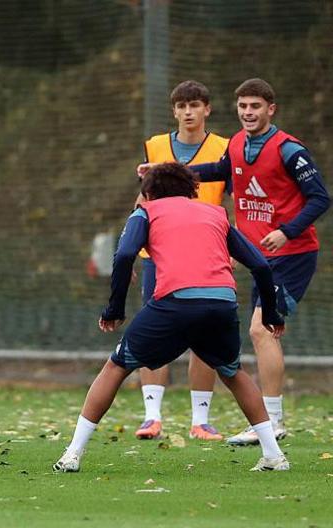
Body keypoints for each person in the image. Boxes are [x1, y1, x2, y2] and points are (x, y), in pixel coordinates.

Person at [54, 162, 288, 473]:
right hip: (221, 304)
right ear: (191, 190)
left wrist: (114, 310)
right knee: (233, 373)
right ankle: (273, 455)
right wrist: (271, 313)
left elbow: (124, 256)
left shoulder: (146, 212)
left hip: (174, 304)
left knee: (117, 366)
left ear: (148, 194)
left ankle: (73, 453)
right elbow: (260, 265)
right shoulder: (215, 213)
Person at [139, 78, 329, 445]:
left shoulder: (289, 150)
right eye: (242, 107)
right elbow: (217, 171)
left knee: (261, 330)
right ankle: (269, 421)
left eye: (255, 107)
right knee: (263, 332)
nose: (248, 113)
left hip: (292, 254)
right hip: (262, 258)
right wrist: (162, 174)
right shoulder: (239, 144)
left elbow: (320, 198)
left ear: (270, 109)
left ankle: (272, 421)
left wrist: (287, 231)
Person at [133, 81, 230, 442]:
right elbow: (142, 199)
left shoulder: (224, 149)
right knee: (152, 330)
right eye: (181, 106)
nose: (188, 112)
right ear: (173, 111)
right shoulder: (156, 146)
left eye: (195, 105)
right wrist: (133, 247)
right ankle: (151, 415)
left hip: (206, 254)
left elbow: (230, 203)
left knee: (204, 335)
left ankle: (200, 420)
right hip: (159, 255)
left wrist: (232, 248)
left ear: (207, 109)